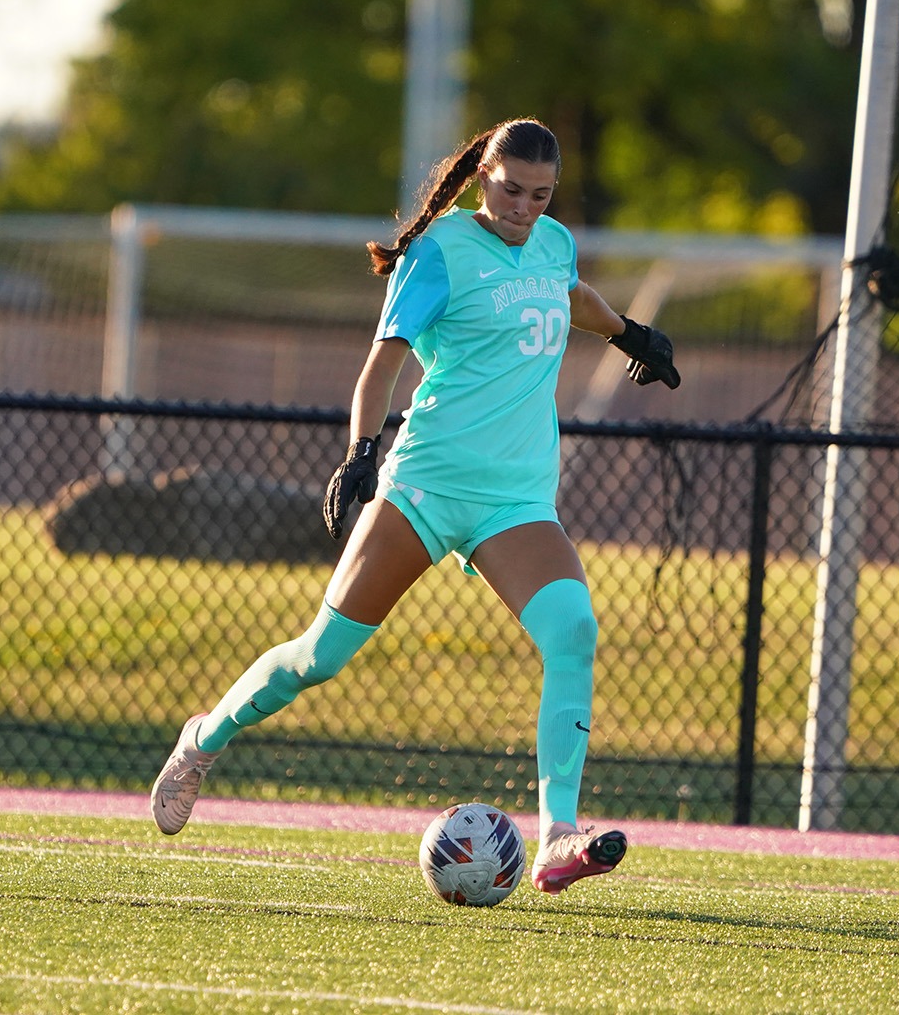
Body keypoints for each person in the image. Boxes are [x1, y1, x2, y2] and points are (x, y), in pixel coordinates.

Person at [148, 117, 680, 895]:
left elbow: (570, 296)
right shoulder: (439, 251)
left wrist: (630, 334)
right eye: (511, 190)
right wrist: (361, 452)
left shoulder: (553, 243)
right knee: (319, 658)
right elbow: (381, 367)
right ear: (482, 178)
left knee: (574, 632)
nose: (524, 207)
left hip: (516, 498)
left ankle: (558, 835)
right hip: (426, 487)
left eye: (540, 195)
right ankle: (204, 738)